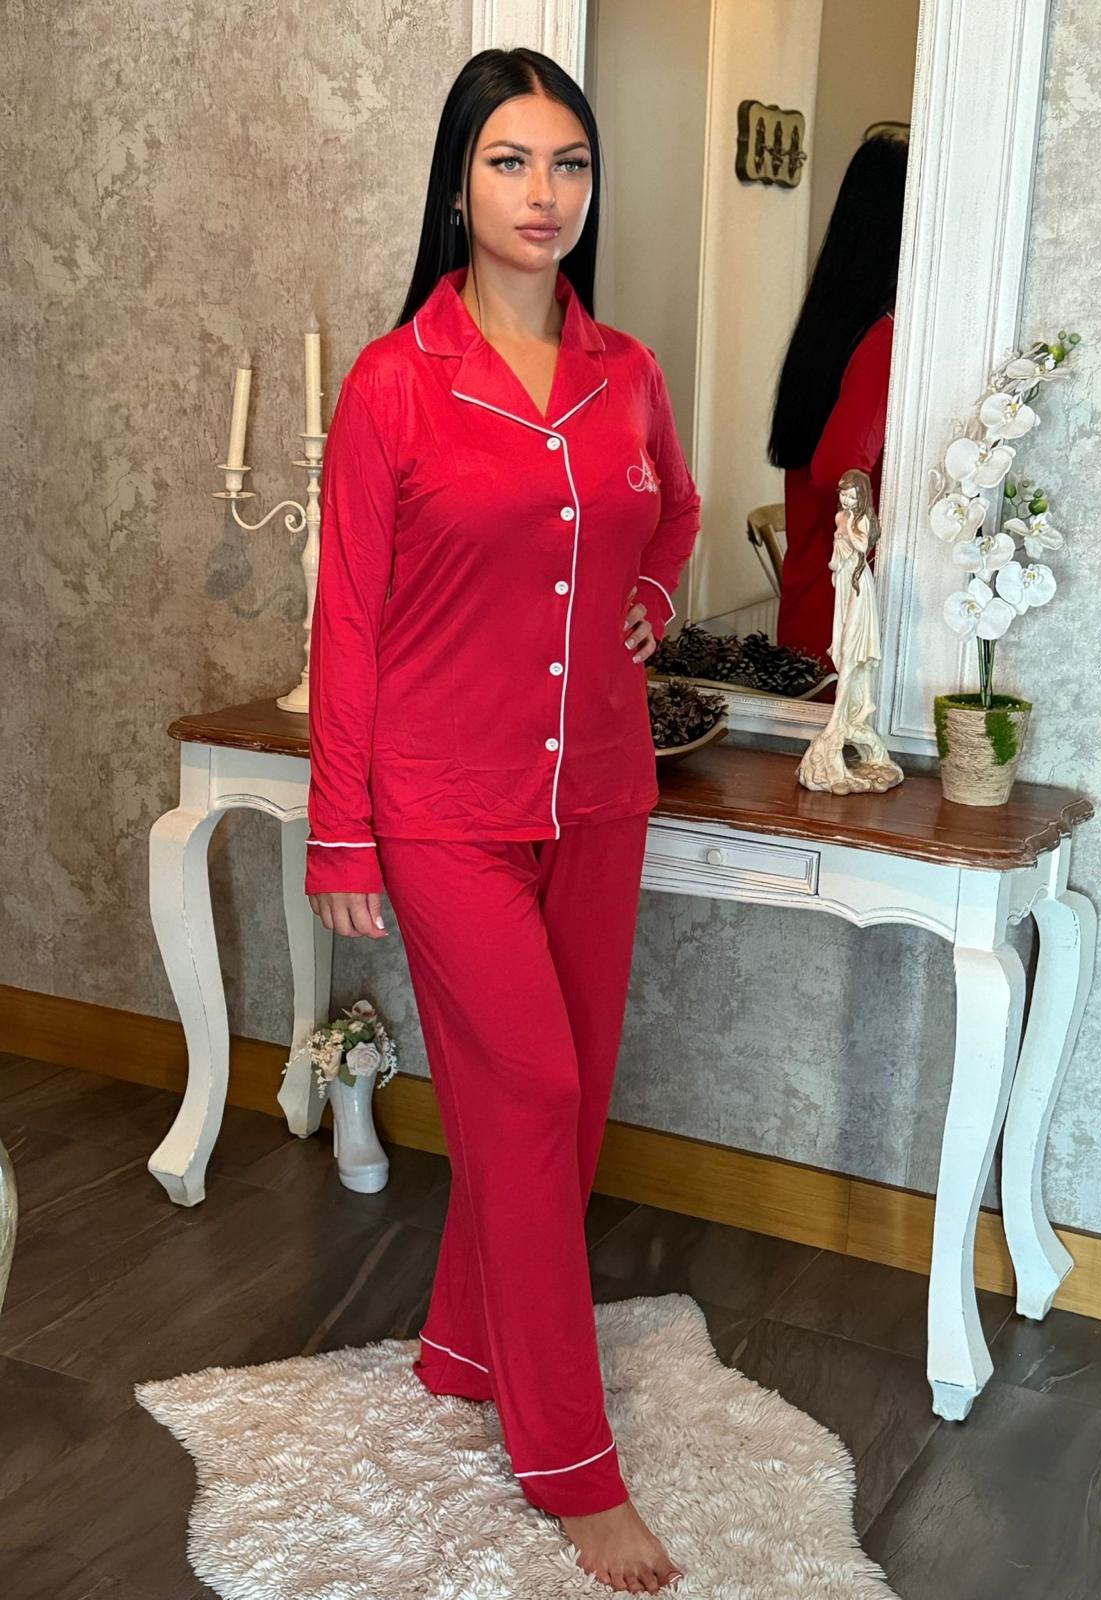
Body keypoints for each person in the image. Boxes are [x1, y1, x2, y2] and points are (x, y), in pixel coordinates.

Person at [304, 46, 701, 1595]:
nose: (546, 194)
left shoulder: (628, 373)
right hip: (442, 806)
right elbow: (350, 620)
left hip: (598, 791)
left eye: (570, 163)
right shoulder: (396, 382)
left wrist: (652, 590)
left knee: (569, 1104)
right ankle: (569, 1461)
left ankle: (465, 1348)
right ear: (458, 185)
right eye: (512, 161)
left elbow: (667, 508)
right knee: (528, 1096)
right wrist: (342, 830)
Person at [767, 133, 908, 669]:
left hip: (807, 609)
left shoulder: (826, 329)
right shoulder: (884, 337)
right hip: (845, 628)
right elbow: (836, 467)